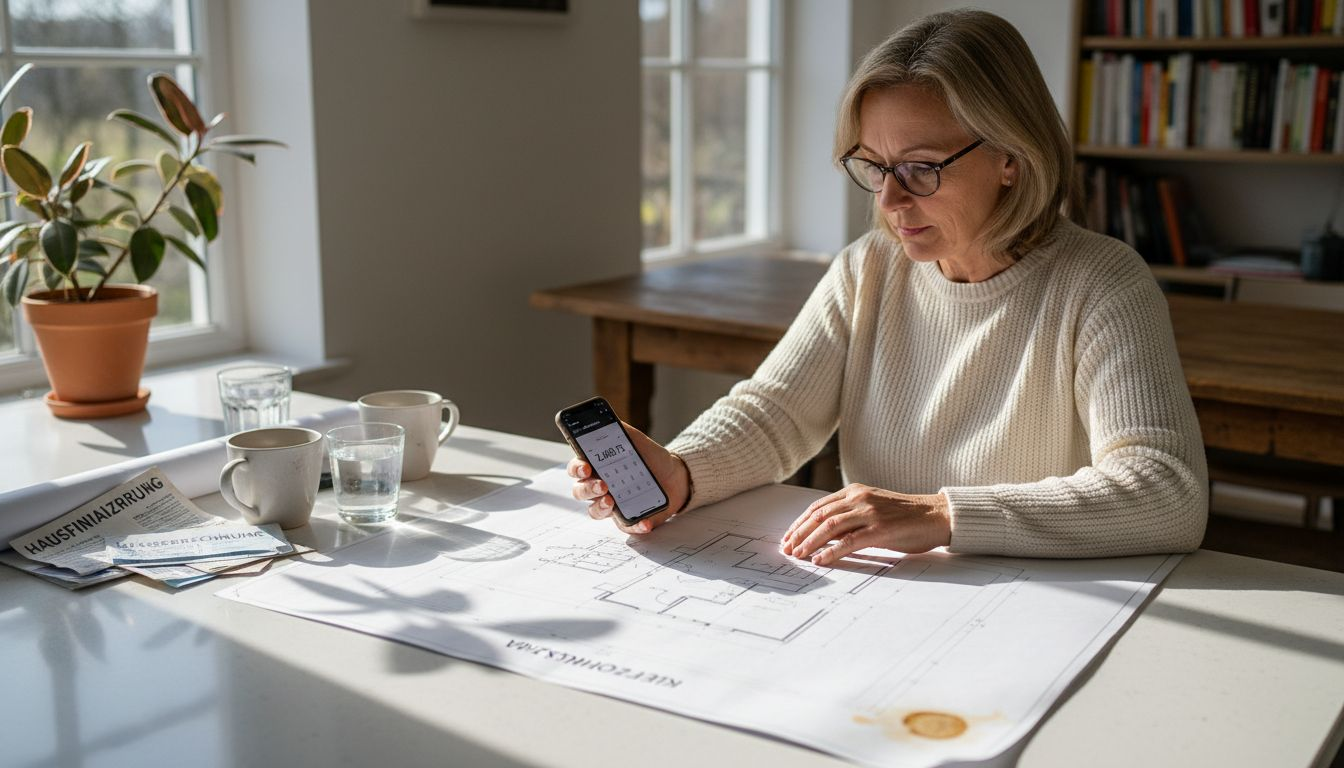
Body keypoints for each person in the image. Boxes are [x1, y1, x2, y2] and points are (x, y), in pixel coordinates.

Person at [569, 8, 1207, 565]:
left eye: (921, 168)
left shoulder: (1103, 281)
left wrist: (940, 515)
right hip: (886, 597)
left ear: (1012, 156)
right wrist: (681, 473)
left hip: (1039, 603)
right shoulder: (868, 267)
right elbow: (775, 413)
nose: (891, 199)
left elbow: (1167, 492)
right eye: (874, 166)